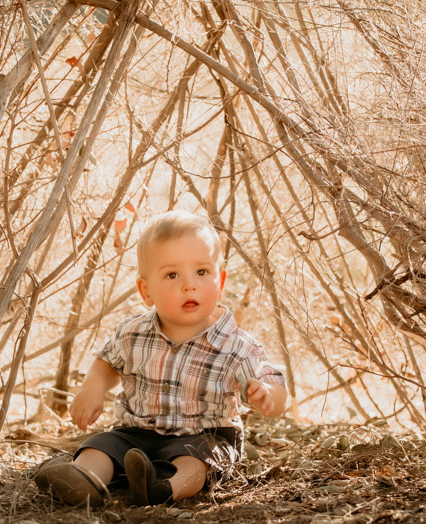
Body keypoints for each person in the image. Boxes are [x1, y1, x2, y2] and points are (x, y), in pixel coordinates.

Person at [33, 210, 288, 506]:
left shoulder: (236, 346)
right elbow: (107, 363)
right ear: (146, 291)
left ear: (220, 282)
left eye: (201, 272)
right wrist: (93, 388)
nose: (189, 285)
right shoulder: (133, 332)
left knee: (197, 462)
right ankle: (83, 478)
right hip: (137, 433)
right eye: (172, 275)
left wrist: (267, 395)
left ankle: (162, 488)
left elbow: (272, 379)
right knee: (101, 445)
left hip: (204, 435)